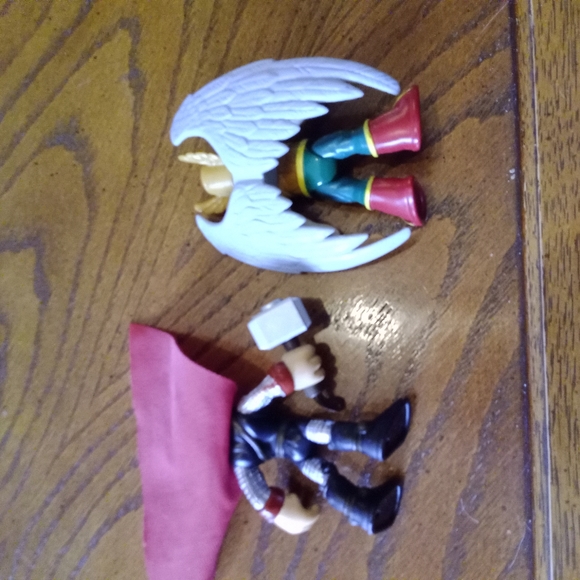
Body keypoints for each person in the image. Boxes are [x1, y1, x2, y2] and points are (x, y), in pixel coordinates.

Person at [181, 86, 426, 227]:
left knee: (355, 192)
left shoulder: (252, 193)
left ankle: (401, 199)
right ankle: (400, 129)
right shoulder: (248, 151)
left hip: (314, 186)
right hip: (311, 155)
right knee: (351, 142)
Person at [231, 344, 411, 535]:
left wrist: (276, 511)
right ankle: (369, 440)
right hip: (298, 433)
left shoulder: (239, 459)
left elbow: (255, 494)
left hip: (297, 454)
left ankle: (359, 507)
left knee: (325, 473)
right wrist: (288, 374)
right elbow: (266, 391)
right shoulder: (242, 417)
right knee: (327, 434)